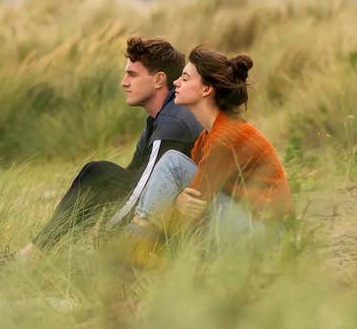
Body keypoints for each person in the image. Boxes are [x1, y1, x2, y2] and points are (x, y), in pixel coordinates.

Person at [15, 36, 204, 259]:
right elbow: (132, 177)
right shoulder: (159, 118)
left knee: (99, 174)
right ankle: (43, 253)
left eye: (132, 75)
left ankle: (35, 255)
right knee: (99, 175)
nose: (123, 82)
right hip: (168, 219)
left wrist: (107, 234)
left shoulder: (174, 121)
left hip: (191, 229)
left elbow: (144, 194)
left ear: (158, 80)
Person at [123, 44, 294, 253]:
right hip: (246, 223)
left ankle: (136, 241)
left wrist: (177, 203)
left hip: (269, 236)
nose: (176, 82)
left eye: (185, 78)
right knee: (175, 167)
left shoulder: (225, 137)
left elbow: (195, 200)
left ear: (206, 89)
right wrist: (179, 201)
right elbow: (192, 200)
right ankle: (140, 239)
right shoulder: (207, 137)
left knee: (173, 163)